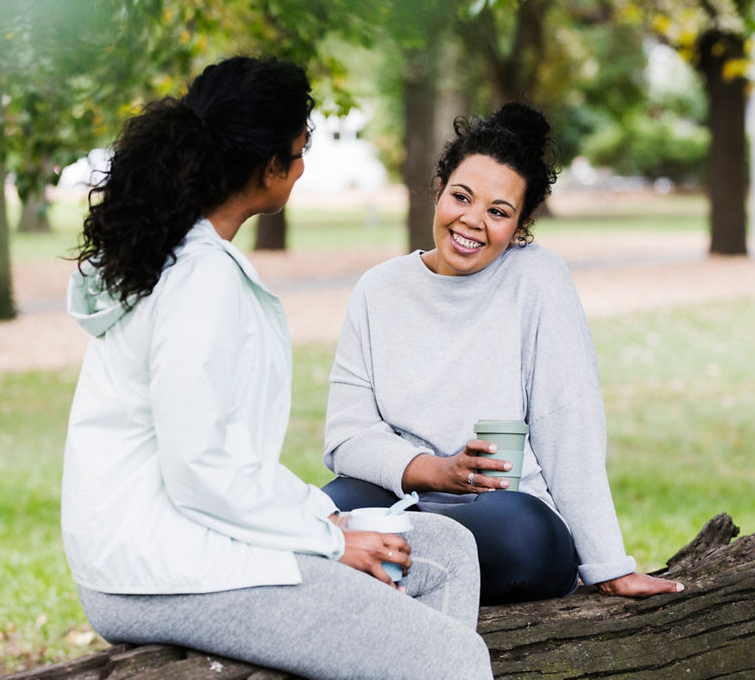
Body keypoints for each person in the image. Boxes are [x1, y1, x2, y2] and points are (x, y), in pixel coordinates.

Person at [61, 57, 493, 680]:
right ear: (268, 168)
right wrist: (329, 541)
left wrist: (321, 517)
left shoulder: (172, 252)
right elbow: (198, 467)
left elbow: (226, 457)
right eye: (299, 150)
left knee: (442, 548)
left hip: (178, 544)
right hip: (159, 568)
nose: (303, 164)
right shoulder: (199, 279)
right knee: (453, 657)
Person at [322, 102, 685, 605]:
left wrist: (608, 565)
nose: (472, 221)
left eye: (498, 211)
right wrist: (438, 469)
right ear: (440, 190)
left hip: (505, 516)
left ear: (520, 226)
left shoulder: (536, 279)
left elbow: (570, 428)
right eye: (461, 197)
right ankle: (394, 569)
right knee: (332, 505)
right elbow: (348, 437)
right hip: (404, 499)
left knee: (514, 532)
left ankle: (382, 570)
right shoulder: (378, 290)